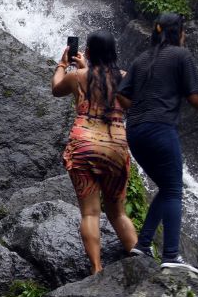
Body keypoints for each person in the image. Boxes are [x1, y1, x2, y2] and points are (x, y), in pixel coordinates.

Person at [117, 13, 198, 274]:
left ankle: (143, 244)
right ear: (177, 32)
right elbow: (195, 97)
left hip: (135, 132)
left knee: (166, 187)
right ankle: (171, 254)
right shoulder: (181, 56)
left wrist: (143, 108)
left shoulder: (141, 59)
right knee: (174, 189)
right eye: (183, 31)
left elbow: (122, 96)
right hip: (160, 130)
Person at [51, 32, 138, 275]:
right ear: (113, 53)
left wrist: (62, 63)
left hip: (84, 146)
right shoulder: (125, 79)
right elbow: (133, 105)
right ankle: (143, 262)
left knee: (89, 213)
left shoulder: (77, 76)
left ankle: (97, 269)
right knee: (118, 213)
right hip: (116, 147)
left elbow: (56, 88)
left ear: (88, 52)